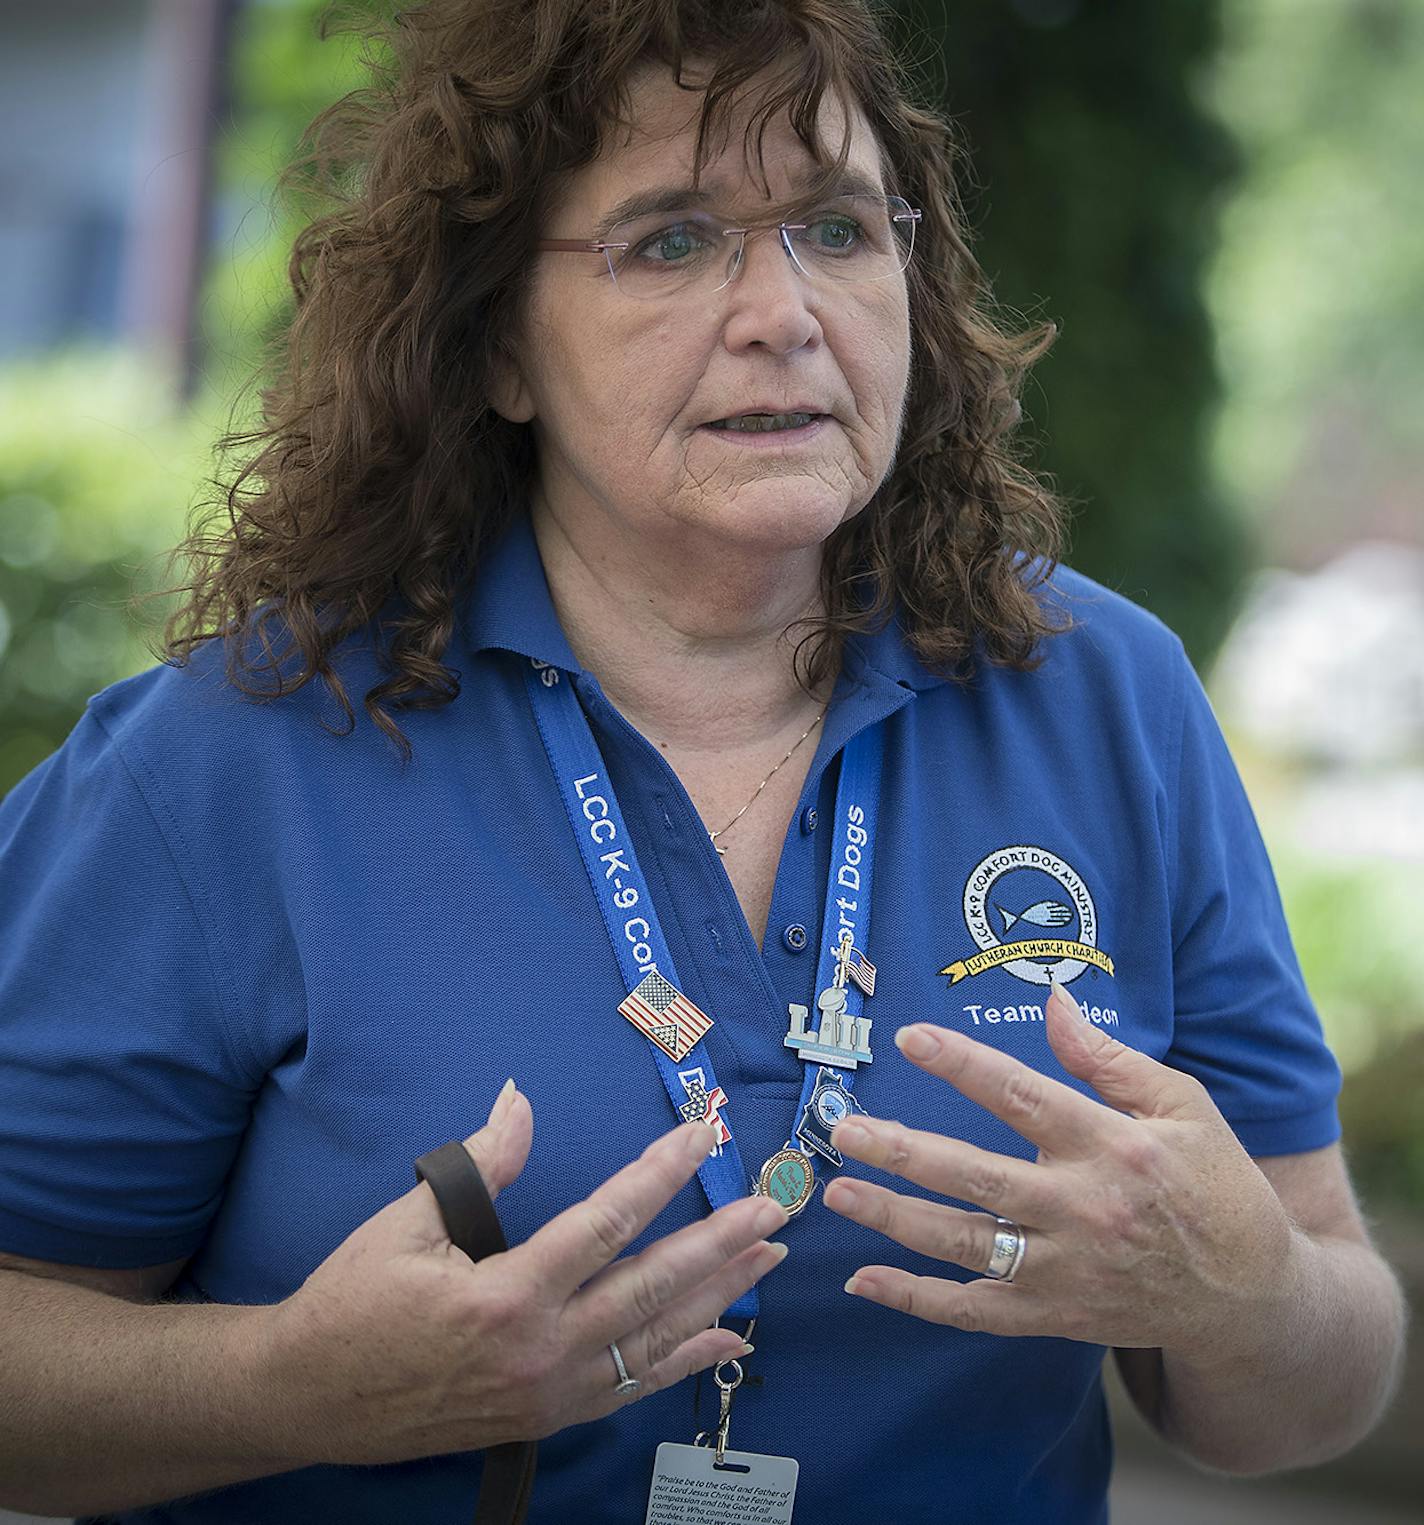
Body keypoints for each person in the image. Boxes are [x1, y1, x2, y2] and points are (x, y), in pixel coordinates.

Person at [0, 1, 1405, 1521]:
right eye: (672, 240)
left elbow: (1321, 1382)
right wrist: (295, 1386)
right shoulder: (231, 760)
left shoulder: (1101, 693)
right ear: (496, 349)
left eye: (839, 230)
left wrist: (1242, 1288)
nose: (786, 313)